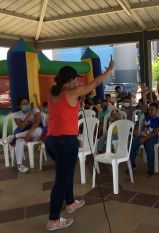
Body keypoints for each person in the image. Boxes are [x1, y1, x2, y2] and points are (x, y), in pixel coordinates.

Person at [45, 59, 114, 231]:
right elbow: (96, 82)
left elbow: (64, 109)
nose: (77, 82)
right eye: (75, 79)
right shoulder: (72, 92)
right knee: (61, 180)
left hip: (51, 141)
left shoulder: (52, 92)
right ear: (69, 79)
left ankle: (70, 202)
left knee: (66, 172)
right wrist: (110, 69)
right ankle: (53, 219)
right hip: (65, 142)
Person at [129, 83, 159, 176]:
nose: (150, 111)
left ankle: (150, 169)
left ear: (157, 111)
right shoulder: (147, 115)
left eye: (152, 109)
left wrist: (145, 138)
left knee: (149, 149)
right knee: (132, 145)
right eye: (149, 109)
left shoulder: (158, 120)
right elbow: (144, 103)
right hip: (143, 135)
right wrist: (143, 93)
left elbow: (155, 133)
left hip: (151, 137)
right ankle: (132, 165)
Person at [12, 97, 43, 173]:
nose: (26, 105)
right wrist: (28, 116)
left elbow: (37, 122)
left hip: (34, 134)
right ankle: (19, 165)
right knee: (19, 142)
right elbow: (21, 127)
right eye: (23, 104)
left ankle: (14, 137)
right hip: (23, 134)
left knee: (39, 130)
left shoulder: (35, 109)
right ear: (19, 106)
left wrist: (30, 132)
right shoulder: (16, 114)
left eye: (27, 103)